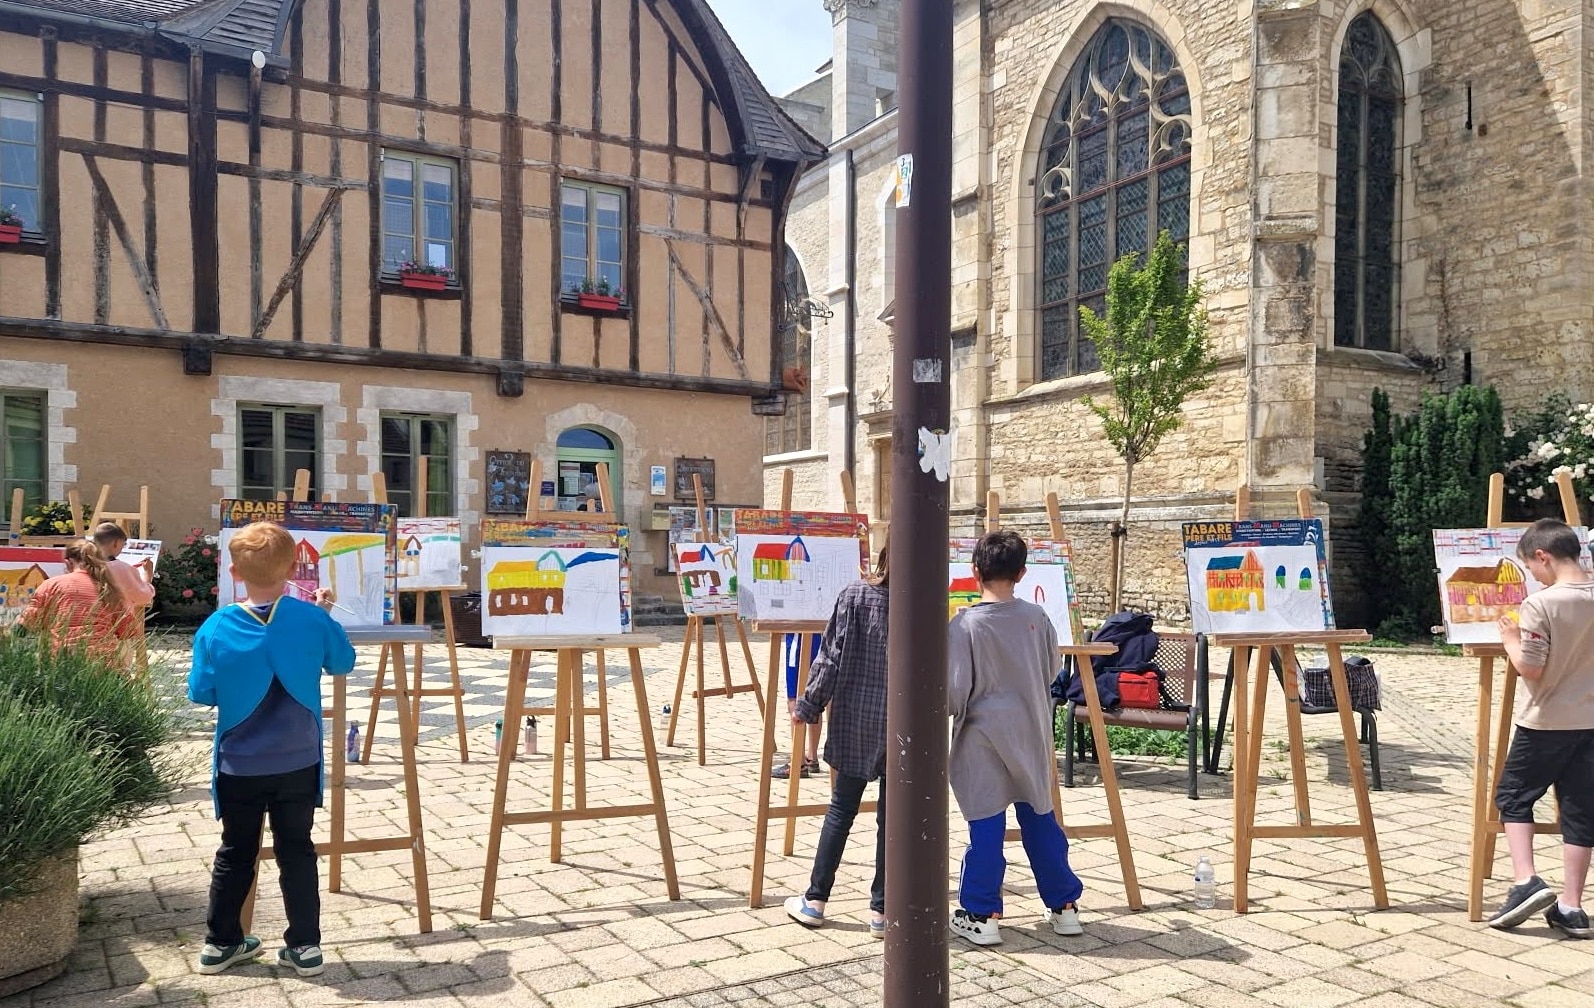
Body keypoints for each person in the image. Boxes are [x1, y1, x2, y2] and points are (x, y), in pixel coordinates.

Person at [188, 521, 356, 977]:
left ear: (234, 571)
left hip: (238, 764)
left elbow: (201, 692)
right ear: (293, 570)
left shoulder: (216, 626)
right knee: (296, 849)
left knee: (235, 851)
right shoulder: (311, 618)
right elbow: (342, 661)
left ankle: (220, 944)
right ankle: (305, 946)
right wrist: (323, 614)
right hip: (297, 760)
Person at [946, 530, 1083, 946]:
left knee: (986, 823)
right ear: (1022, 573)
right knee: (1040, 817)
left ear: (974, 571)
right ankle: (1064, 906)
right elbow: (1052, 670)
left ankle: (981, 911)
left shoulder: (965, 625)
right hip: (1031, 731)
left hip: (981, 738)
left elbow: (954, 692)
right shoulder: (1037, 618)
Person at [1490, 518, 1594, 938]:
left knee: (1513, 797)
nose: (1533, 575)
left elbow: (1531, 668)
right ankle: (1572, 905)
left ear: (1543, 556)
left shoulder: (1541, 603)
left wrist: (1510, 639)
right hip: (1591, 721)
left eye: (1531, 567)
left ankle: (1526, 880)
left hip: (1547, 720)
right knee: (1581, 809)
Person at [783, 534, 890, 937]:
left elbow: (830, 657)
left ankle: (816, 900)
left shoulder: (856, 596)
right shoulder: (926, 601)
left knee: (842, 809)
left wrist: (808, 705)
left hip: (856, 718)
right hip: (906, 725)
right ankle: (882, 910)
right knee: (892, 819)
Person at [19, 539, 139, 663]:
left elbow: (25, 624)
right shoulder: (109, 589)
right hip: (103, 664)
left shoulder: (51, 584)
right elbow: (127, 632)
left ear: (68, 563)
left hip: (61, 661)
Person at [772, 632, 823, 779]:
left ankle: (798, 762)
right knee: (815, 694)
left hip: (799, 635)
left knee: (794, 698)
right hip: (821, 633)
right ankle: (812, 756)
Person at [91, 521, 156, 610]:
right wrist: (148, 574)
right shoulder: (121, 568)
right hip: (115, 616)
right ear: (116, 543)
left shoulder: (84, 563)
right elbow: (143, 597)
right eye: (123, 545)